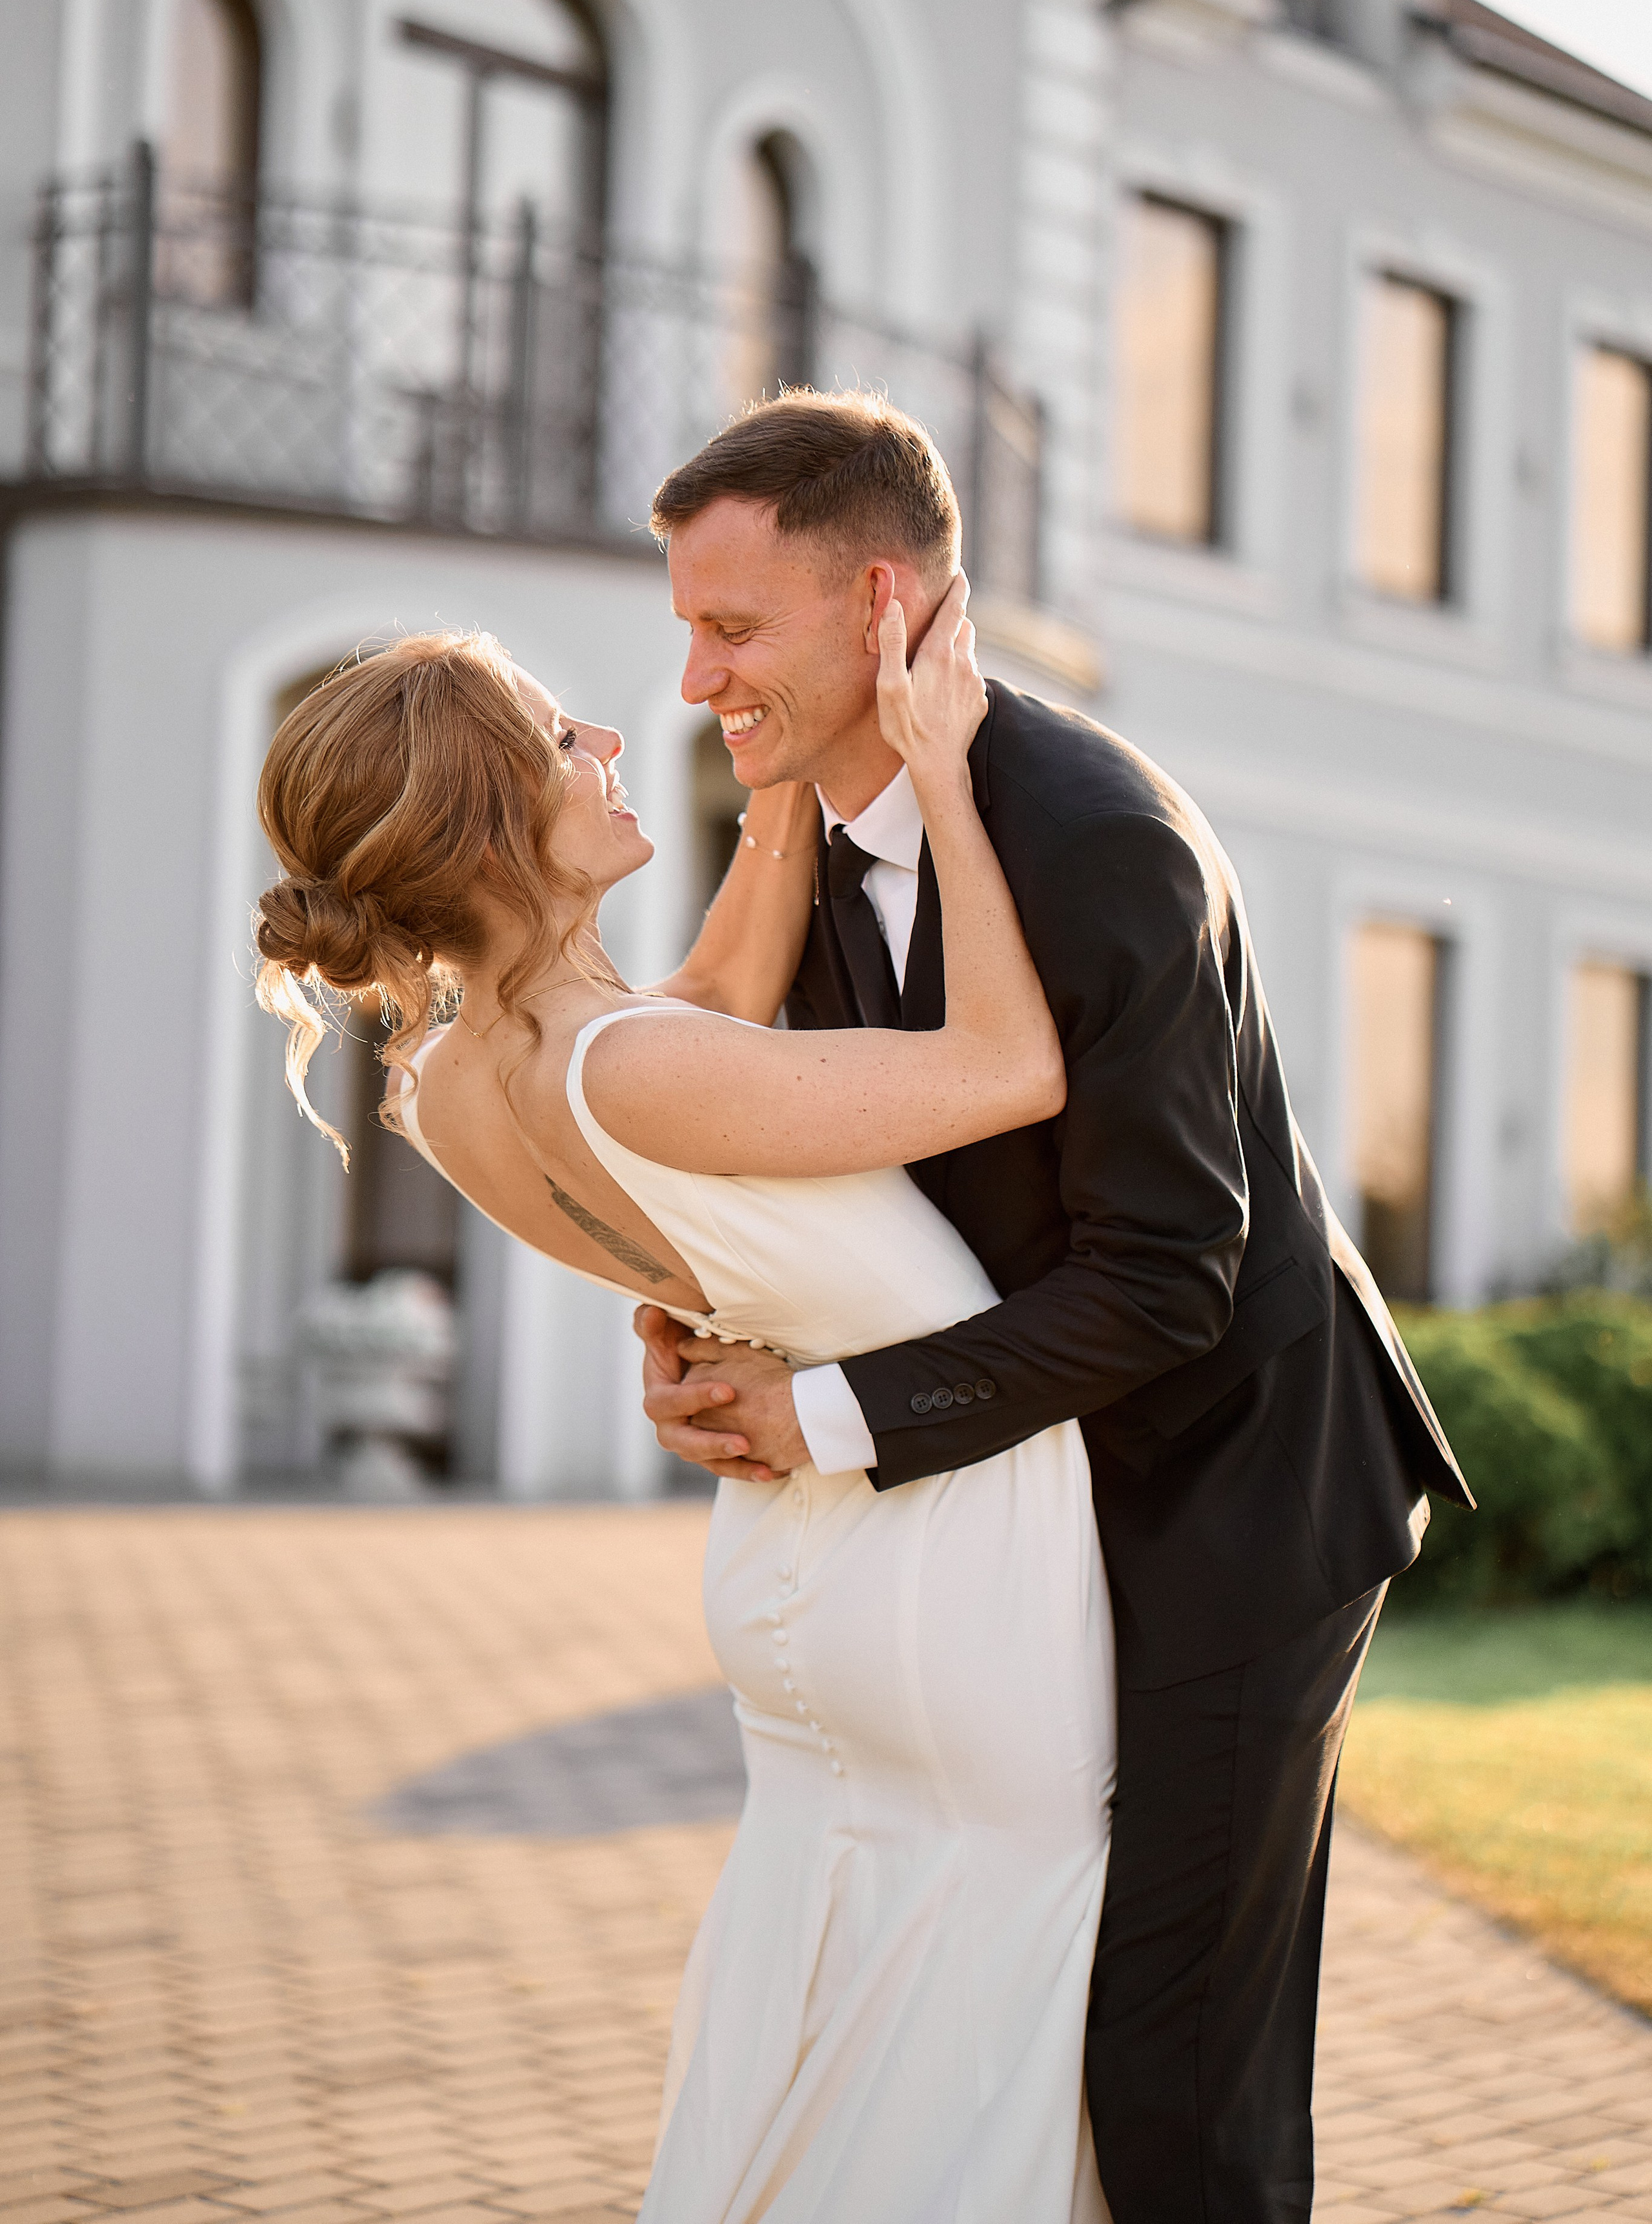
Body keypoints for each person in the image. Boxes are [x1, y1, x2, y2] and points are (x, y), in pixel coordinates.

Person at [636, 390, 1474, 2224]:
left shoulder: (1099, 838)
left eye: (731, 626)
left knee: (1173, 2062)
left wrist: (824, 1420)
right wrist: (717, 1330)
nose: (694, 674)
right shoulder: (820, 817)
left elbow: (1170, 1274)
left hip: (1242, 1491)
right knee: (1045, 1997)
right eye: (684, 621)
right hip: (1053, 1487)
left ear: (881, 610)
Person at [254, 609, 1116, 2222]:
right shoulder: (633, 1064)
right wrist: (935, 774)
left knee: (829, 1989)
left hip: (795, 1560)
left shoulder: (456, 1080)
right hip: (943, 1559)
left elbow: (712, 1003)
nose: (608, 737)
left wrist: (782, 773)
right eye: (560, 737)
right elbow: (1009, 1067)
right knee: (976, 2011)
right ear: (499, 818)